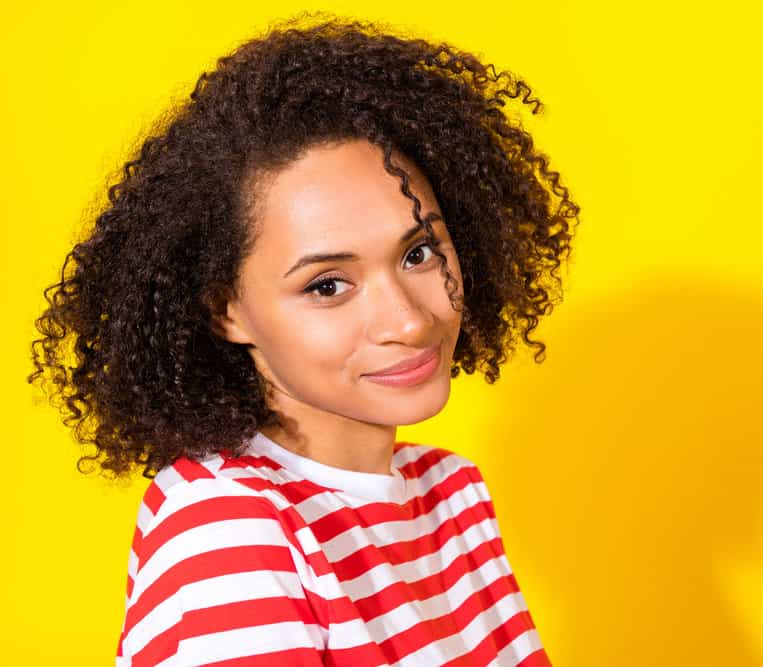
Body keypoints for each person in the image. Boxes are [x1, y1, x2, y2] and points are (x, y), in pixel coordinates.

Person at [27, 11, 580, 667]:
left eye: (419, 252)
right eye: (327, 285)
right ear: (225, 310)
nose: (407, 320)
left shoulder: (450, 493)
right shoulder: (226, 528)